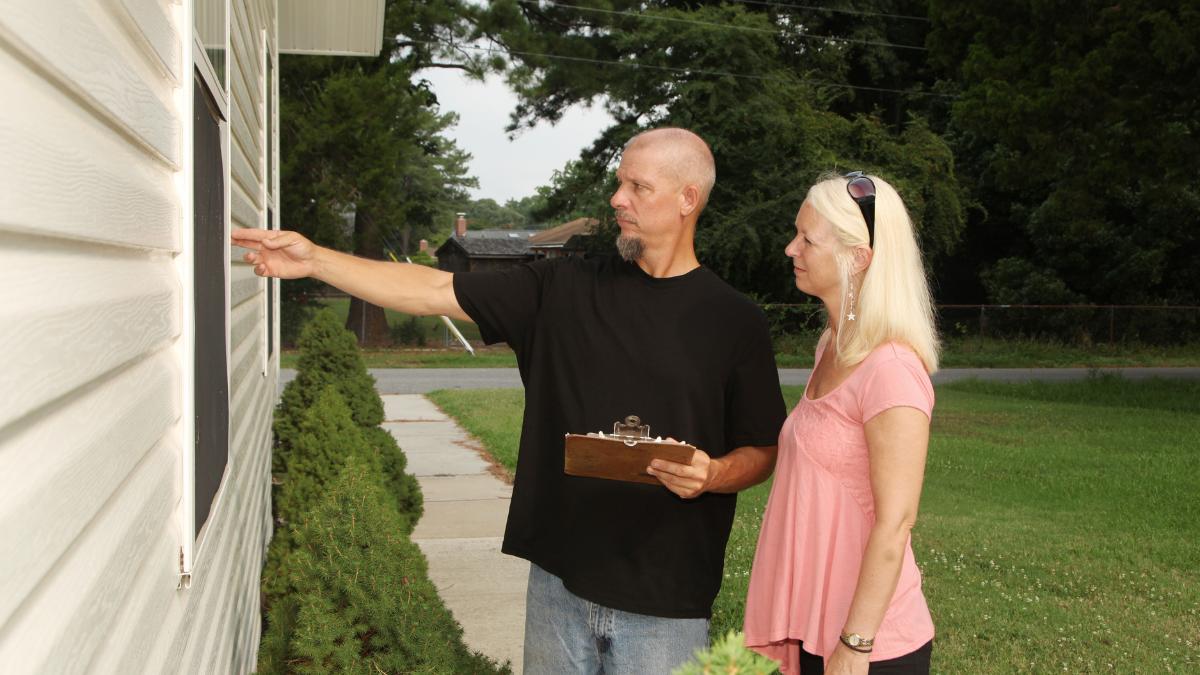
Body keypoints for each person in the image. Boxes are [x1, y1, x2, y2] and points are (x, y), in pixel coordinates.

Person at [233, 128, 787, 674]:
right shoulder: (562, 290)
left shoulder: (734, 321)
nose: (618, 199)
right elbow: (430, 291)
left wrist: (712, 474)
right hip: (558, 585)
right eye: (619, 183)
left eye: (637, 187)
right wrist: (314, 261)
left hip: (667, 601)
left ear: (687, 199)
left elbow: (761, 451)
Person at [742, 172, 940, 674]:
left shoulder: (892, 370)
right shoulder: (831, 347)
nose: (791, 248)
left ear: (858, 257)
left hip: (870, 646)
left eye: (807, 238)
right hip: (815, 629)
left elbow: (896, 523)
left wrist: (855, 645)